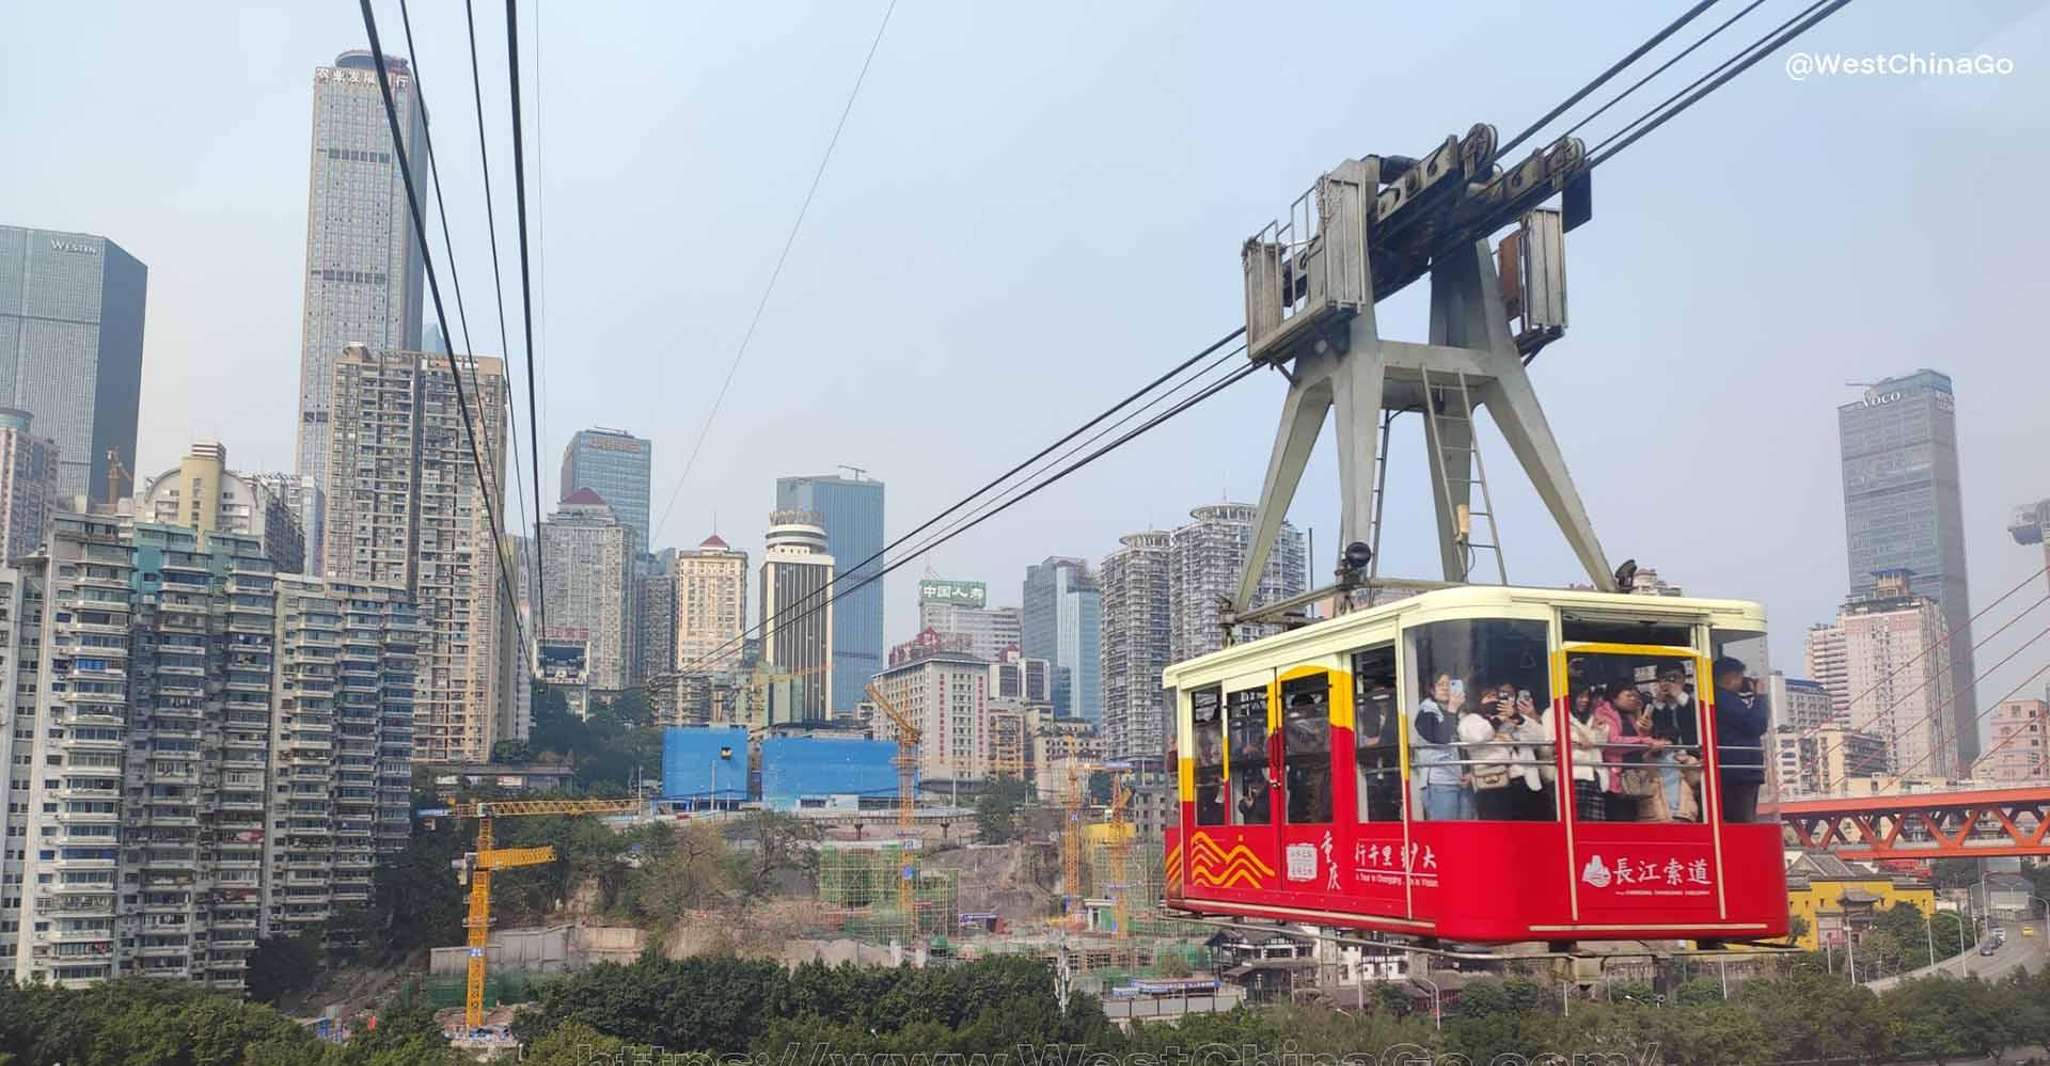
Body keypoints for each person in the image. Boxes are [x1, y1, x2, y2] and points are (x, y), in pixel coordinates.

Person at [1713, 656, 1770, 822]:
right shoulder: (1724, 699)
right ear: (1731, 677)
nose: (1742, 682)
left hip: (1737, 770)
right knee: (1743, 821)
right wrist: (1759, 696)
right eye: (1740, 677)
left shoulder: (1722, 699)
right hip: (1739, 772)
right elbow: (1756, 725)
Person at [1601, 685, 1669, 821]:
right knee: (1619, 817)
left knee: (1633, 816)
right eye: (1629, 695)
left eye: (1636, 697)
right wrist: (1647, 741)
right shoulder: (1603, 713)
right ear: (1614, 697)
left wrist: (1646, 729)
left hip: (1634, 775)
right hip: (1615, 774)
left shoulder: (1630, 715)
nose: (1633, 699)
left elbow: (1639, 741)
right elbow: (1612, 742)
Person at [1411, 674, 1471, 820]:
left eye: (1449, 684)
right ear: (1432, 690)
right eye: (1440, 684)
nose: (1445, 688)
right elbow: (1441, 738)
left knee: (1467, 833)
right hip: (1439, 782)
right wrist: (1452, 709)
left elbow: (1463, 744)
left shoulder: (1459, 712)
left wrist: (1469, 771)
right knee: (1445, 832)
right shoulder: (1426, 712)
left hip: (1461, 780)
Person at [1646, 666, 1702, 821]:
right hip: (1667, 763)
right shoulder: (1656, 704)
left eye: (1674, 678)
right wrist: (1658, 703)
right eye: (1664, 679)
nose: (1669, 683)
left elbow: (1699, 721)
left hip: (1694, 759)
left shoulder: (1695, 699)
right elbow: (1653, 730)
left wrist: (1678, 695)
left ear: (1683, 679)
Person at [1462, 679, 1519, 820]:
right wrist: (1498, 720)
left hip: (1511, 778)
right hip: (1487, 779)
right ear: (1478, 700)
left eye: (1495, 696)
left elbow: (1521, 739)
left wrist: (1517, 717)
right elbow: (1478, 735)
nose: (1492, 699)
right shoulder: (1470, 719)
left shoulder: (1505, 718)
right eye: (1488, 696)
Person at [1565, 688, 1611, 820]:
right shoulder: (1558, 715)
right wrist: (1578, 740)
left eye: (1587, 696)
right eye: (1580, 696)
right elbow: (1551, 740)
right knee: (1573, 822)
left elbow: (1601, 747)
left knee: (1595, 826)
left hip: (1594, 775)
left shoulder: (1593, 717)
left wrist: (1600, 729)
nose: (1585, 700)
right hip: (1573, 775)